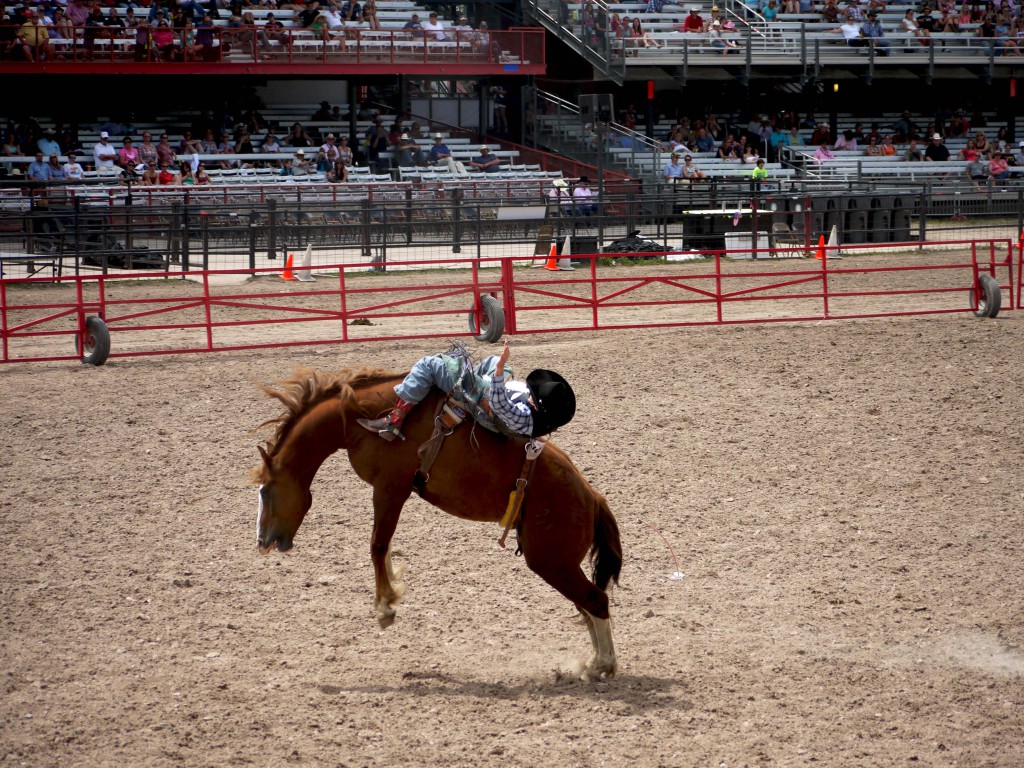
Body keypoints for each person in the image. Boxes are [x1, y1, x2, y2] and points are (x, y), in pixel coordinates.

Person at [357, 341, 576, 442]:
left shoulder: (523, 418)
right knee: (491, 361)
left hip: (484, 400)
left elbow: (500, 405)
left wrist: (499, 372)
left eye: (534, 396)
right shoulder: (538, 418)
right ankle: (486, 373)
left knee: (428, 364)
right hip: (496, 390)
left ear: (537, 406)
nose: (531, 393)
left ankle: (394, 420)